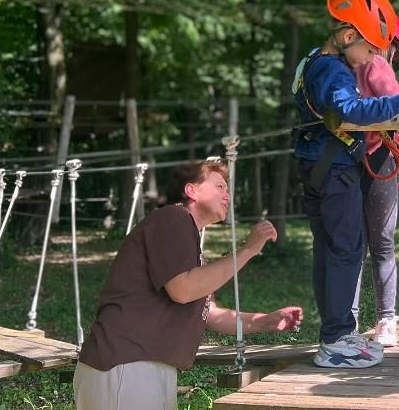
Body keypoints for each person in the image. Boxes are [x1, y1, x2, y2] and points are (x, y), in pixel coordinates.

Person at [75, 160, 303, 410]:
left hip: (144, 366)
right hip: (125, 364)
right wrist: (248, 250)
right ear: (191, 190)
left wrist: (264, 321)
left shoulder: (185, 237)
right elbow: (183, 290)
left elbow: (211, 313)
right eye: (219, 186)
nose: (227, 195)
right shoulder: (173, 218)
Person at [293, 0, 399, 368]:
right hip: (335, 171)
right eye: (369, 50)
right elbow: (351, 110)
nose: (371, 58)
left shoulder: (312, 62)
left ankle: (335, 333)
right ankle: (336, 340)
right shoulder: (334, 69)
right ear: (347, 36)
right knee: (346, 250)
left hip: (318, 166)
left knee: (330, 249)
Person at [351, 17, 399, 347]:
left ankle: (347, 320)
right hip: (377, 158)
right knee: (382, 244)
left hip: (346, 157)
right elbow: (398, 106)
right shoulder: (377, 63)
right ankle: (386, 319)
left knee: (352, 245)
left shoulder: (340, 65)